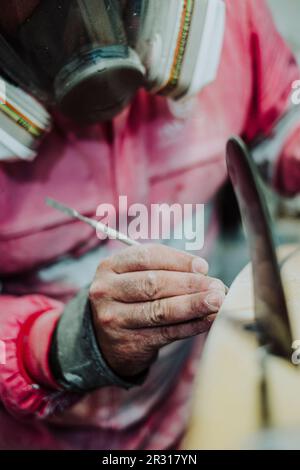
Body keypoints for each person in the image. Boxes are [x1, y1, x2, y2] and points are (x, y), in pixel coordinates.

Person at [0, 0, 299, 450]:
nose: (81, 23)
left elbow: (281, 111)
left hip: (196, 410)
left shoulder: (231, 18)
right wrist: (59, 346)